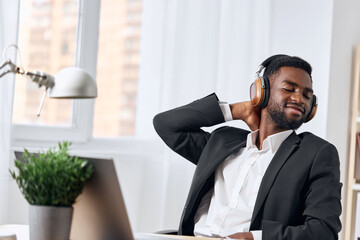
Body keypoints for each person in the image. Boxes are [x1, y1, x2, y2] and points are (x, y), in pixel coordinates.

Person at [153, 55, 342, 240]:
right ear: (261, 91)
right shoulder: (222, 141)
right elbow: (166, 125)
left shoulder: (315, 154)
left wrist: (253, 238)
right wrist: (236, 110)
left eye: (307, 95)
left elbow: (323, 231)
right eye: (289, 89)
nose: (299, 99)